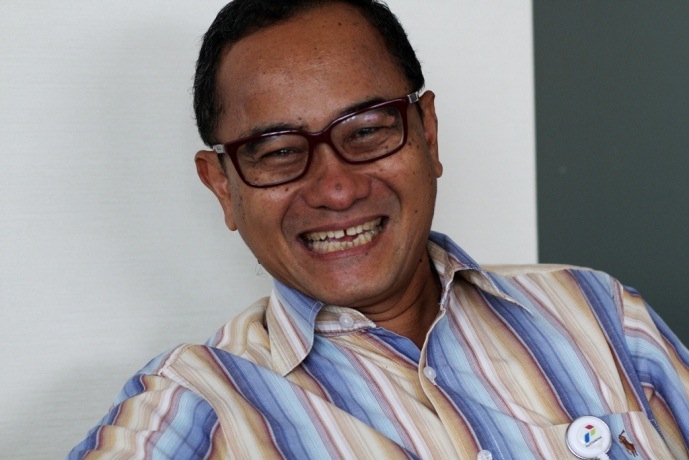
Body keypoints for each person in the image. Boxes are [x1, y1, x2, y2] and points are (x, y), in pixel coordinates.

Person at [69, 0, 689, 458]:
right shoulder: (193, 406)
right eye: (278, 151)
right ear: (223, 188)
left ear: (428, 134)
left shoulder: (603, 317)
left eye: (366, 131)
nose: (336, 189)